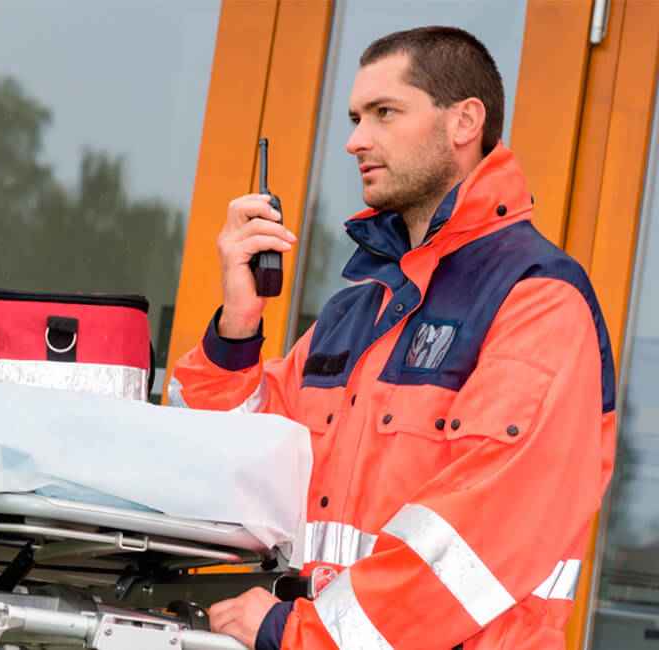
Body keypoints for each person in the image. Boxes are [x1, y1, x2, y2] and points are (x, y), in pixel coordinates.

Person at [174, 27, 616, 649]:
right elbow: (222, 473)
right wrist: (236, 331)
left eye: (385, 113)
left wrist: (295, 633)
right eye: (356, 117)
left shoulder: (537, 300)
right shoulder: (356, 311)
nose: (355, 140)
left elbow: (476, 543)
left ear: (464, 121)